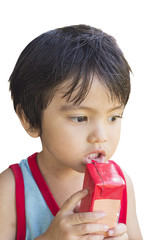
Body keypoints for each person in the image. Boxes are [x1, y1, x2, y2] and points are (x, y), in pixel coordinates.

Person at [0, 24, 142, 240]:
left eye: (113, 117)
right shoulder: (11, 189)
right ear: (29, 120)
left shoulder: (123, 185)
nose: (101, 135)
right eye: (80, 118)